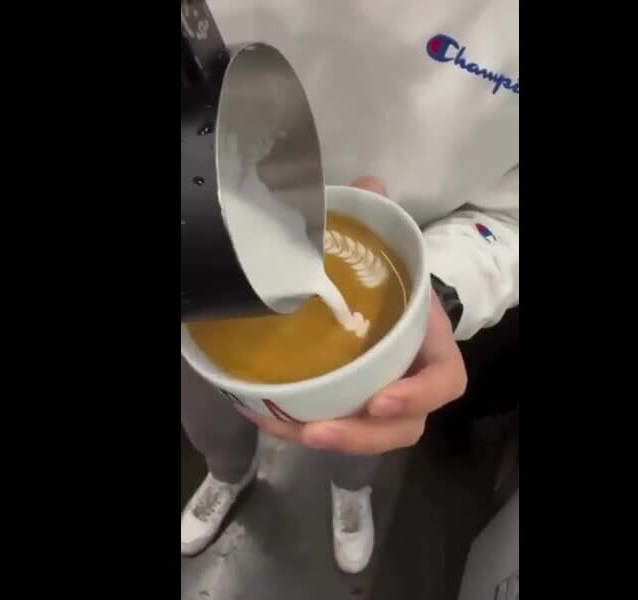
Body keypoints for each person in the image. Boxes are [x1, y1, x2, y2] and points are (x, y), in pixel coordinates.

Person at [181, 0, 519, 574]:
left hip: (397, 301)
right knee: (210, 418)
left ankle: (350, 494)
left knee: (361, 429)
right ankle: (227, 473)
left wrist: (440, 287)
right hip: (201, 261)